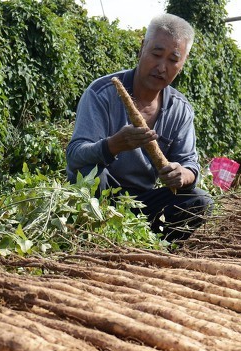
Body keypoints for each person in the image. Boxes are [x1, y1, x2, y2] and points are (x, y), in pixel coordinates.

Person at [65, 13, 212, 242]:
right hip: (100, 198)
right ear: (142, 48)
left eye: (173, 60)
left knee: (200, 201)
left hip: (143, 204)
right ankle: (94, 237)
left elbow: (190, 164)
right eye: (156, 54)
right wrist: (113, 145)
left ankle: (151, 245)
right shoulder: (101, 93)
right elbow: (75, 154)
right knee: (88, 172)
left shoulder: (180, 110)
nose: (162, 67)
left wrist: (181, 174)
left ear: (182, 64)